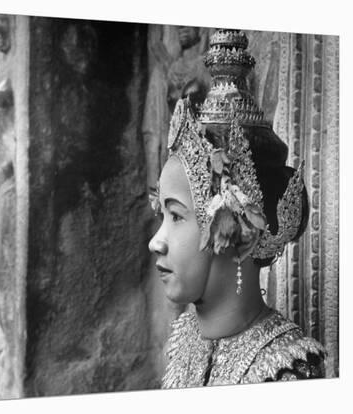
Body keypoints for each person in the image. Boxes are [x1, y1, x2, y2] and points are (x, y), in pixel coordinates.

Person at [148, 29, 326, 387]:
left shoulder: (287, 370)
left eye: (177, 216)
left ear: (237, 231)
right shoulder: (184, 340)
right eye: (162, 216)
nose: (156, 241)